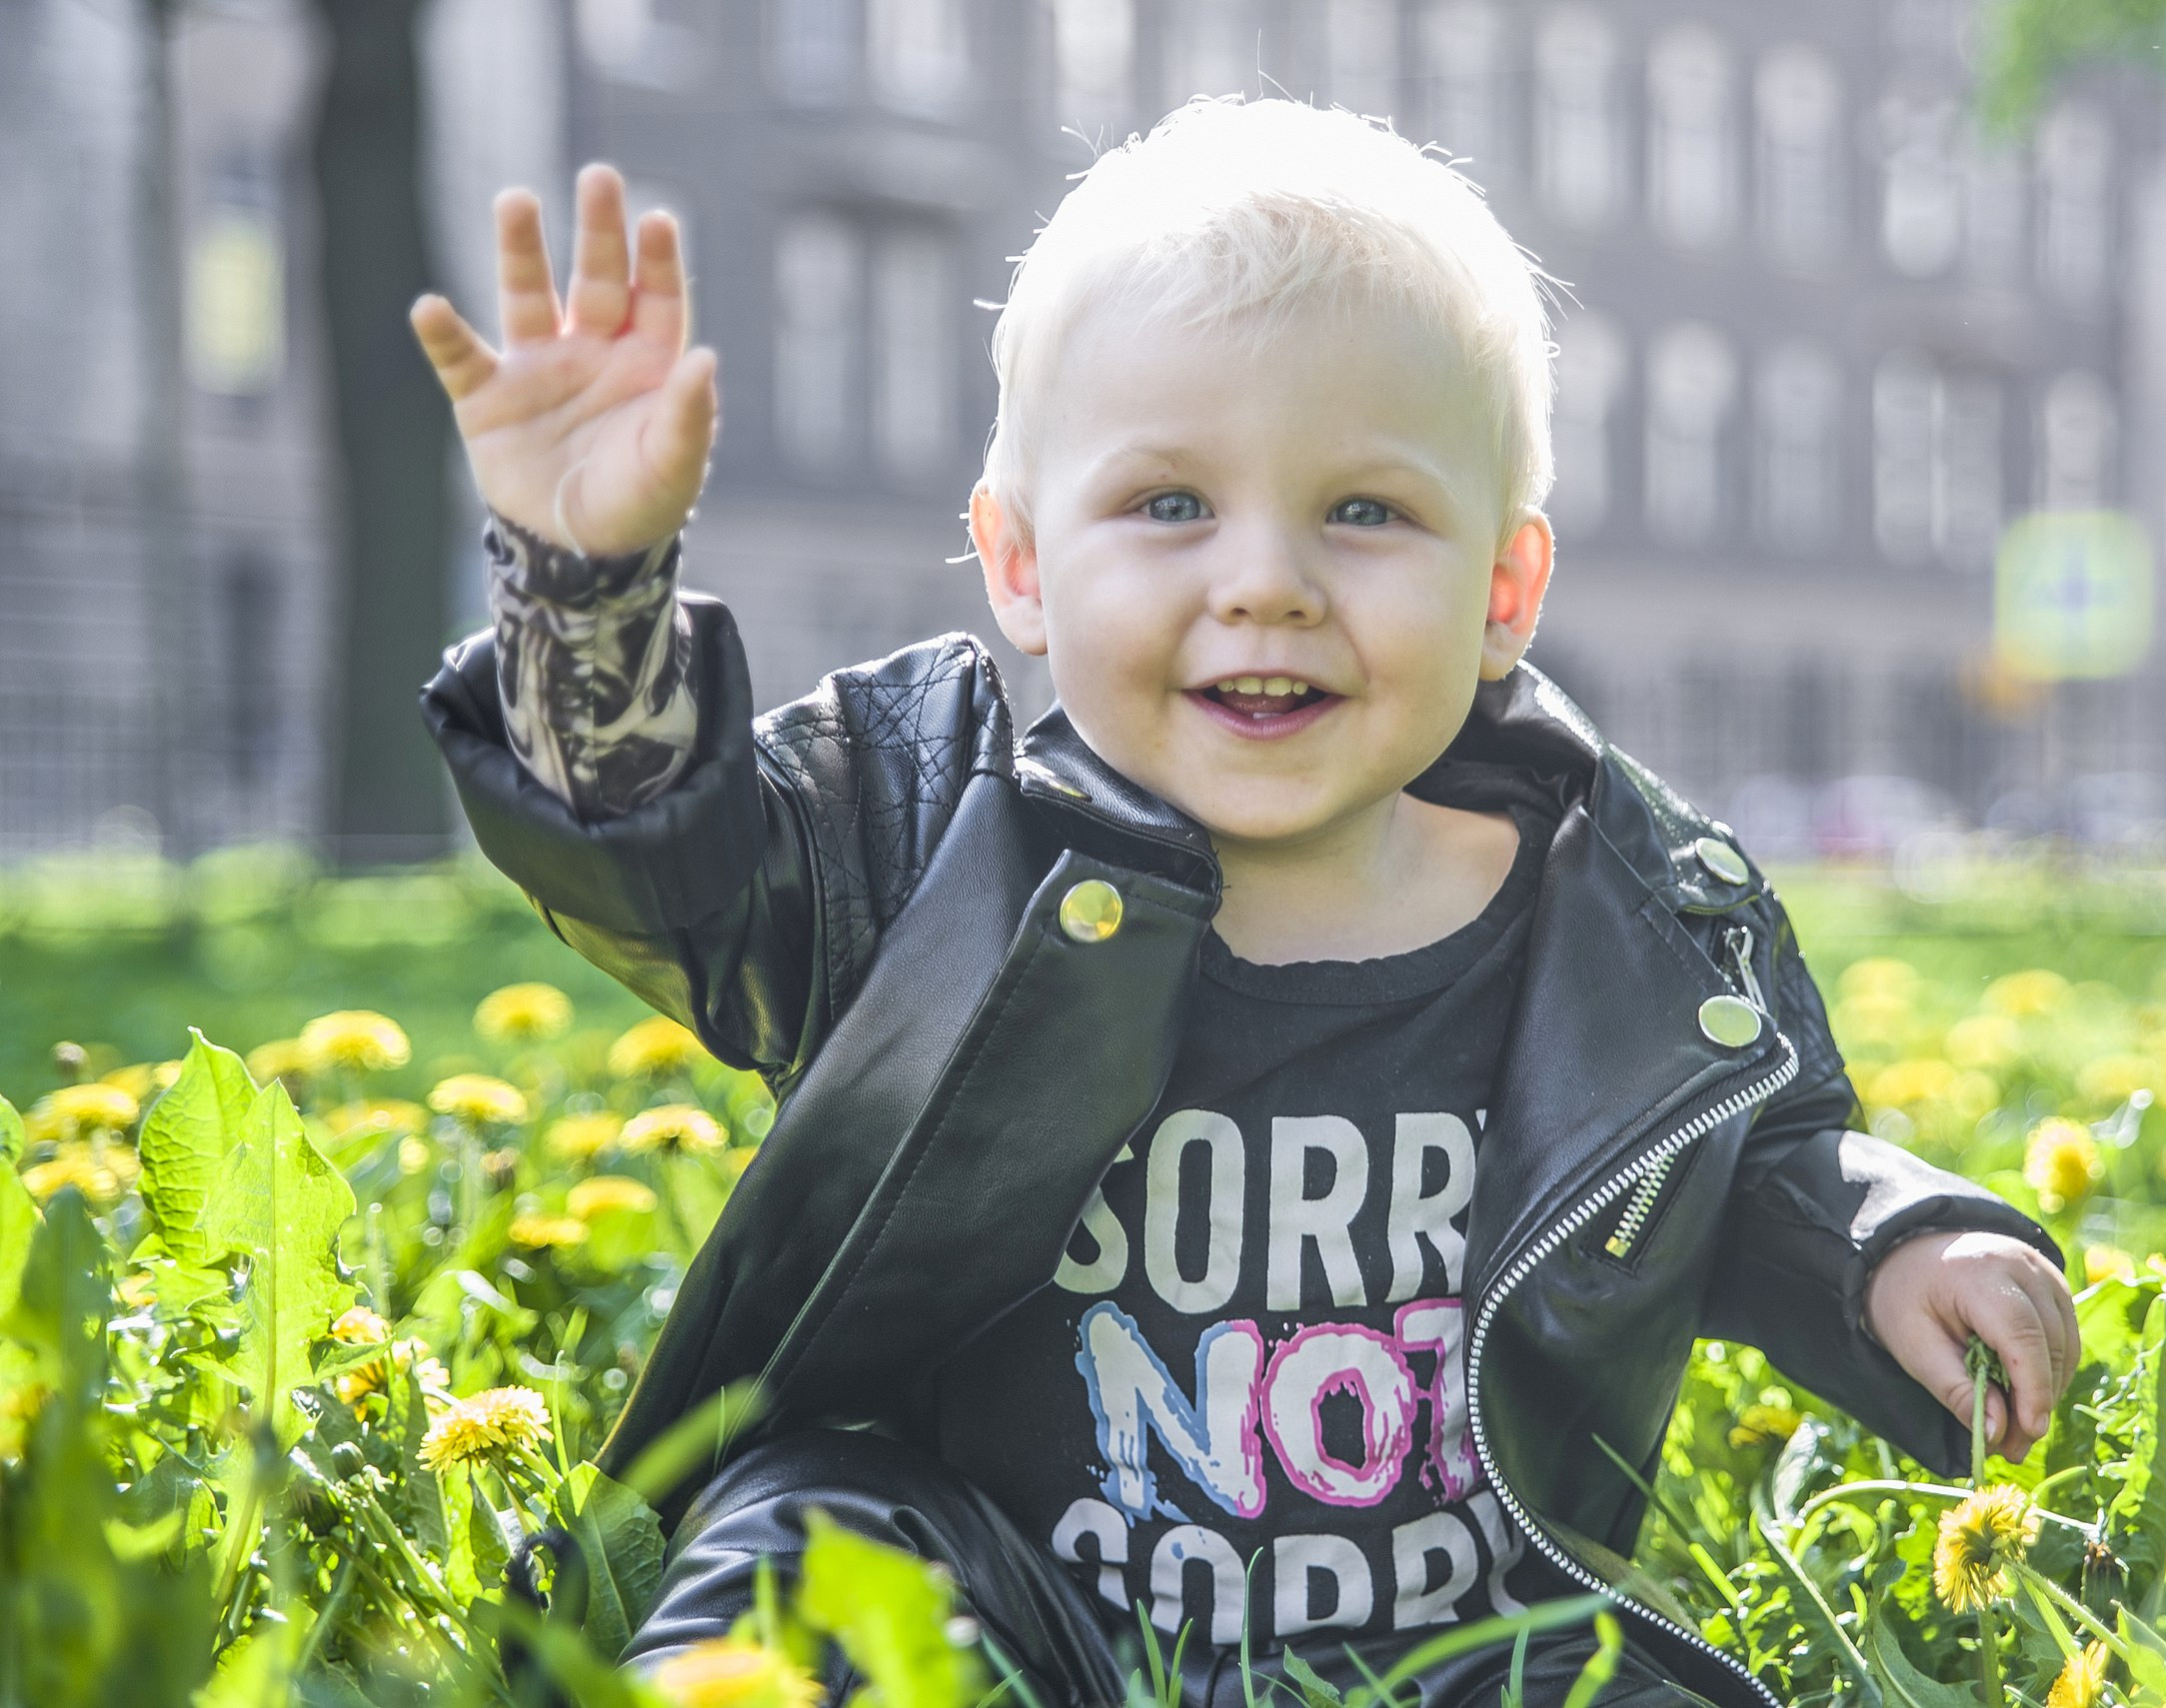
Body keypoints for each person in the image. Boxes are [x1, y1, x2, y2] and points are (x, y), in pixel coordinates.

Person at [410, 98, 2076, 1708]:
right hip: (1006, 1614)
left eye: (1365, 509)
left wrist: (1893, 1244)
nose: (1266, 578)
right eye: (1169, 504)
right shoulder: (927, 835)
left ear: (1503, 587)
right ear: (1020, 567)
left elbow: (1765, 1159)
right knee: (800, 1550)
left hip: (1477, 1646)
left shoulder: (1634, 917)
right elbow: (663, 867)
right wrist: (588, 601)